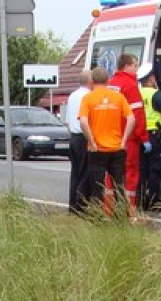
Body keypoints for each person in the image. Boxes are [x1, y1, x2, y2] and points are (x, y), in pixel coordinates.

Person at [79, 67, 135, 220]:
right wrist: (124, 140)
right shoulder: (118, 97)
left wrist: (91, 141)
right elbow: (131, 118)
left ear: (92, 81)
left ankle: (98, 218)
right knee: (119, 185)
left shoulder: (88, 99)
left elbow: (83, 121)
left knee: (97, 186)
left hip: (97, 149)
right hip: (117, 148)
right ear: (108, 80)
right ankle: (122, 217)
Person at [107, 54, 148, 217]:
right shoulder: (130, 85)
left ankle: (108, 210)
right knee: (130, 173)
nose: (137, 69)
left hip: (112, 136)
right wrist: (143, 137)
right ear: (126, 66)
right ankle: (130, 211)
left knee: (110, 174)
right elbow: (137, 114)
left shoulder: (111, 84)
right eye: (135, 65)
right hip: (129, 137)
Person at [138, 67, 161, 211]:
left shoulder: (138, 93)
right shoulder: (155, 94)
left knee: (142, 169)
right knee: (155, 169)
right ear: (150, 79)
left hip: (140, 135)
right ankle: (155, 201)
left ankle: (139, 200)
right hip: (154, 136)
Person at [64, 69, 94, 216]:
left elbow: (68, 118)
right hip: (84, 136)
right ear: (90, 81)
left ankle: (73, 205)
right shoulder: (88, 96)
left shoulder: (72, 95)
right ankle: (81, 205)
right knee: (85, 173)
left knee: (75, 173)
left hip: (74, 137)